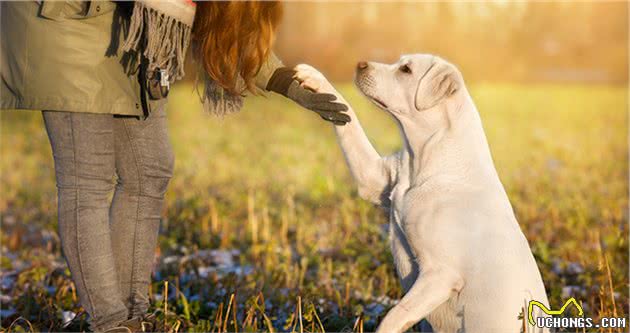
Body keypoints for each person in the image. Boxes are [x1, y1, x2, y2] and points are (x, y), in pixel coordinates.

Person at [0, 1, 348, 332]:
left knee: (149, 168)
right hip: (70, 21)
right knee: (87, 177)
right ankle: (109, 321)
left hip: (130, 29)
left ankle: (131, 314)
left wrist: (286, 82)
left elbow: (227, 19)